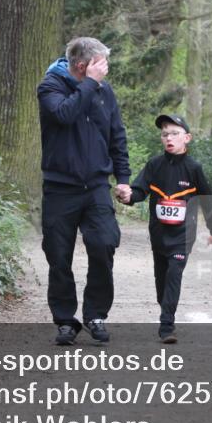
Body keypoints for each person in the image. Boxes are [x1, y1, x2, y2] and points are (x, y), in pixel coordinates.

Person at [37, 37, 132, 346]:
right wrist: (90, 84)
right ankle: (65, 320)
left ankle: (95, 315)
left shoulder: (105, 92)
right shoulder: (50, 87)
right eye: (100, 63)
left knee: (104, 245)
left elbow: (117, 135)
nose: (105, 70)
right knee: (58, 255)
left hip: (96, 188)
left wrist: (123, 177)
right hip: (60, 188)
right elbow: (65, 114)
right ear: (83, 65)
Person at [120, 114, 212, 343]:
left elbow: (206, 199)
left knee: (174, 274)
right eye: (165, 134)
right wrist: (127, 197)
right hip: (158, 233)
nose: (169, 138)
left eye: (174, 133)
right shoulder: (154, 165)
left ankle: (167, 326)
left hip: (183, 234)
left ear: (187, 138)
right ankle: (166, 307)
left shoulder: (194, 167)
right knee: (162, 280)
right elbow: (139, 190)